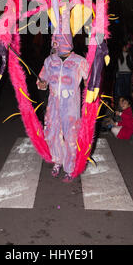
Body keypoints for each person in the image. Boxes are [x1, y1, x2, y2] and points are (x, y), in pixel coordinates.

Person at [37, 34, 89, 183]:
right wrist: (42, 84)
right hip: (53, 104)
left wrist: (89, 84)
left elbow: (89, 80)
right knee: (53, 134)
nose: (56, 43)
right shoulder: (49, 61)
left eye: (59, 39)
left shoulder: (79, 61)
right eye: (55, 40)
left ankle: (70, 168)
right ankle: (57, 161)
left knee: (71, 136)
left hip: (71, 106)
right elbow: (42, 79)